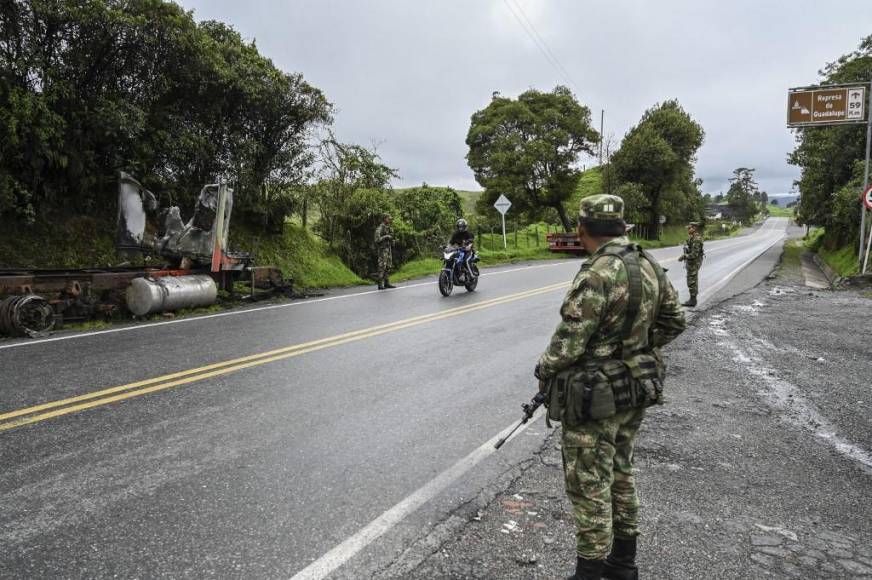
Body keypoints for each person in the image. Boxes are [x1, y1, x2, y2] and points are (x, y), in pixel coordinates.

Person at [534, 194, 687, 580]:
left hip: (595, 396)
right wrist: (635, 349)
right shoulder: (648, 264)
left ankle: (589, 572)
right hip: (635, 387)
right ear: (623, 226)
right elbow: (674, 321)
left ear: (581, 229)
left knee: (588, 482)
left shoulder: (598, 273)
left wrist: (544, 370)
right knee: (621, 470)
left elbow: (566, 344)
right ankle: (622, 565)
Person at [678, 222, 704, 307]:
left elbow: (694, 255)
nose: (688, 230)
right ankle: (692, 299)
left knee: (692, 281)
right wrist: (685, 243)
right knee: (691, 279)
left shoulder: (697, 239)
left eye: (690, 228)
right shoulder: (692, 238)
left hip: (694, 262)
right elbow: (688, 243)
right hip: (692, 262)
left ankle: (693, 301)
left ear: (695, 228)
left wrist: (684, 256)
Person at [374, 214, 395, 290]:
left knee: (388, 266)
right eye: (388, 218)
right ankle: (380, 284)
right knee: (382, 266)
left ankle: (386, 283)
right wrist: (386, 237)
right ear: (384, 219)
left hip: (388, 249)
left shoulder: (388, 227)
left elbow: (391, 237)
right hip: (382, 250)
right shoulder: (380, 228)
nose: (390, 220)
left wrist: (392, 241)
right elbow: (376, 239)